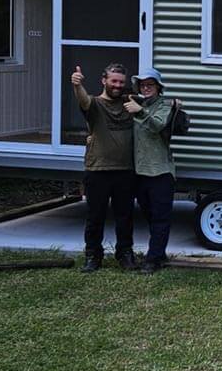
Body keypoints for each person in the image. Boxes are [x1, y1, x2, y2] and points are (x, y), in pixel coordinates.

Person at [72, 61, 137, 273]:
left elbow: (155, 102)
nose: (117, 85)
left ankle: (125, 254)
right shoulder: (95, 105)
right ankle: (93, 256)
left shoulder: (131, 103)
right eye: (113, 81)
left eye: (121, 82)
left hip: (125, 170)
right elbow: (83, 101)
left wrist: (175, 102)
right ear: (104, 81)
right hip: (97, 170)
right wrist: (77, 85)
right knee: (95, 216)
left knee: (125, 217)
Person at [127, 68, 177, 274]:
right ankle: (160, 253)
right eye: (142, 85)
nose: (146, 88)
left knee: (160, 217)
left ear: (158, 87)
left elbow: (157, 125)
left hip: (160, 172)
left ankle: (152, 259)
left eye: (150, 84)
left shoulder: (164, 106)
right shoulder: (134, 104)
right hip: (139, 171)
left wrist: (139, 111)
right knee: (148, 214)